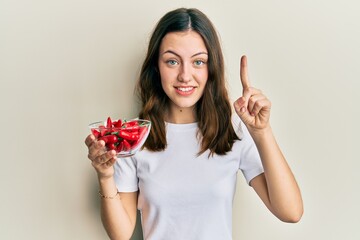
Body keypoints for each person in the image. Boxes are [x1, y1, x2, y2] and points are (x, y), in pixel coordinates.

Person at [85, 7, 303, 240]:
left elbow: (291, 212)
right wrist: (106, 176)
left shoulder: (233, 131)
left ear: (211, 68)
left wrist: (262, 131)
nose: (185, 75)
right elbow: (121, 235)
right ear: (156, 67)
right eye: (172, 61)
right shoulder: (135, 137)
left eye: (198, 62)